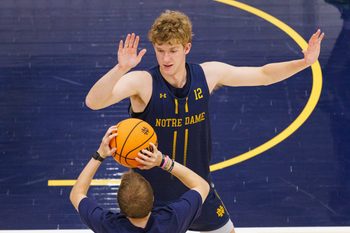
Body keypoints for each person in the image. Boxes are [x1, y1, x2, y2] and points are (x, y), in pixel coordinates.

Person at [85, 10, 324, 233]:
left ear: (186, 47)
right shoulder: (143, 82)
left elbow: (263, 75)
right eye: (160, 50)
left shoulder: (208, 75)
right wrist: (120, 68)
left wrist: (303, 63)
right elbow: (94, 102)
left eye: (173, 50)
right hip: (150, 195)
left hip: (196, 187)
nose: (166, 58)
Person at [70, 125, 210, 233]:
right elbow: (202, 186)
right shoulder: (171, 221)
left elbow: (76, 195)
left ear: (120, 206)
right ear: (153, 199)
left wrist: (100, 154)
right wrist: (162, 161)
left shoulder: (109, 226)